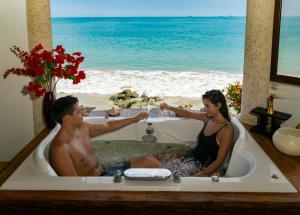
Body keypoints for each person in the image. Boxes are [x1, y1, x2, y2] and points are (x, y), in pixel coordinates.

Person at [49, 95, 161, 176]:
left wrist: (134, 119)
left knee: (149, 158)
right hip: (97, 184)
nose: (83, 113)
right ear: (67, 118)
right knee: (148, 162)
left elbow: (108, 125)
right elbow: (72, 187)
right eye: (79, 112)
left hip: (105, 170)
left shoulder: (82, 128)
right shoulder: (60, 150)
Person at [142, 89, 234, 177]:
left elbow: (219, 161)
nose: (204, 109)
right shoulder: (209, 119)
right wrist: (169, 107)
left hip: (198, 166)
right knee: (152, 157)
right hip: (190, 157)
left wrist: (199, 175)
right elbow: (189, 114)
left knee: (151, 164)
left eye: (207, 106)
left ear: (218, 105)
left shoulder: (226, 130)